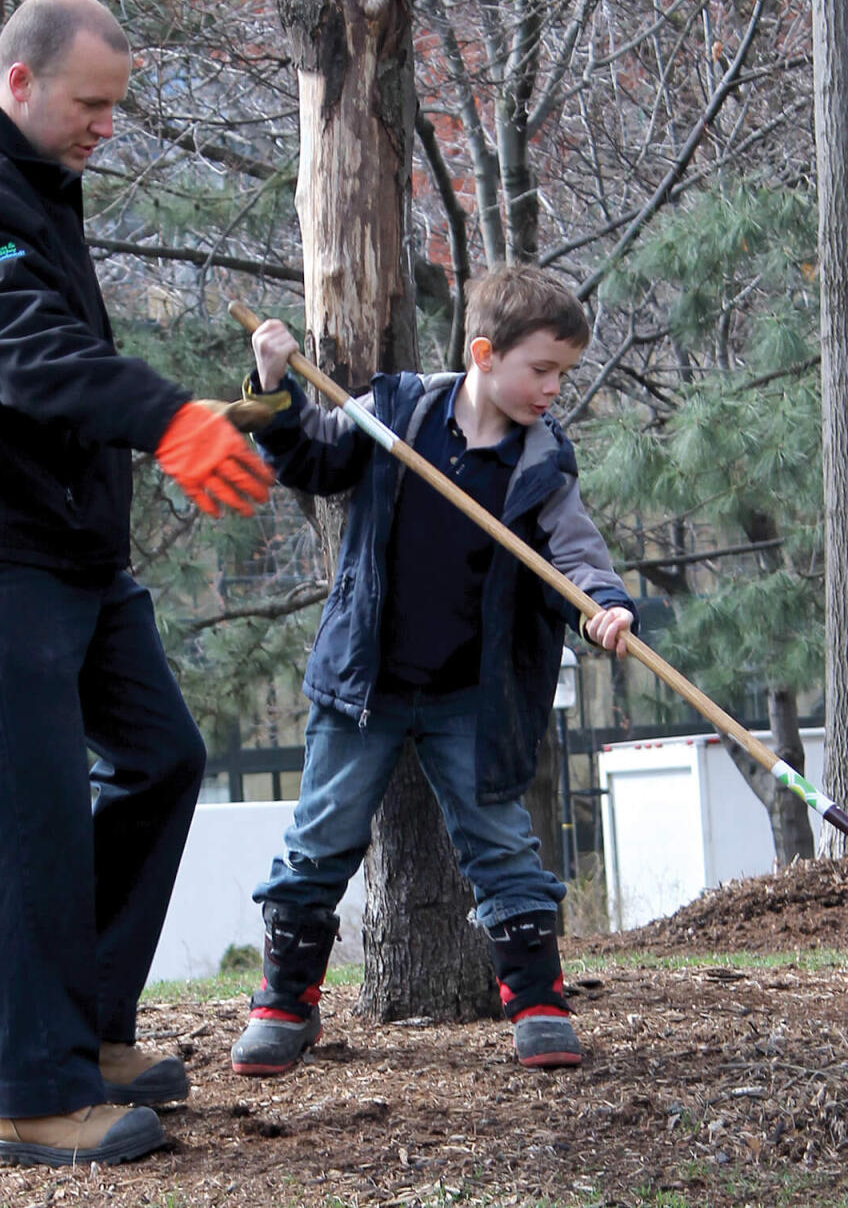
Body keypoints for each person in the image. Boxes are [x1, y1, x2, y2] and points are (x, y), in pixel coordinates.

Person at [0, 0, 273, 1168]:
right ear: (16, 81)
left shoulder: (33, 177)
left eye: (117, 106)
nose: (108, 125)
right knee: (34, 809)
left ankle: (87, 1030)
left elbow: (62, 354)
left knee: (163, 757)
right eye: (90, 103)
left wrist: (191, 413)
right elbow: (32, 358)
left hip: (67, 545)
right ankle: (34, 1094)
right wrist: (166, 422)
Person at [230, 265, 636, 1077]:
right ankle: (284, 1001)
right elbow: (310, 461)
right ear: (485, 354)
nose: (554, 388)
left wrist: (605, 604)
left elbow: (576, 552)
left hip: (470, 696)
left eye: (564, 373)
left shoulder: (542, 461)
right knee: (320, 838)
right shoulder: (394, 412)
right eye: (543, 370)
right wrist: (270, 389)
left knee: (502, 844)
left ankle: (538, 1000)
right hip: (364, 685)